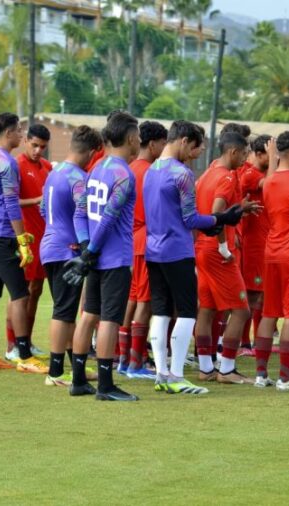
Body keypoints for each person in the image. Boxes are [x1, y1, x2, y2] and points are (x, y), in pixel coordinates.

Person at [144, 120, 244, 394]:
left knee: (162, 310)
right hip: (177, 250)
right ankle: (176, 374)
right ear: (184, 141)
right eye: (195, 149)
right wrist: (222, 218)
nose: (195, 155)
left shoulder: (151, 170)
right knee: (187, 310)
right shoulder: (181, 173)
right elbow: (190, 219)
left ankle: (162, 374)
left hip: (154, 250)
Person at [63, 111, 141, 401]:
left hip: (93, 258)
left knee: (88, 315)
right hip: (114, 258)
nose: (139, 143)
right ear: (131, 138)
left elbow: (80, 211)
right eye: (139, 138)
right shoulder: (124, 174)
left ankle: (79, 380)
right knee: (109, 320)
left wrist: (85, 249)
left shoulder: (96, 168)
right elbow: (109, 217)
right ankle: (106, 386)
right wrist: (91, 251)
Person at [0, 113, 45, 373]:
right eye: (19, 130)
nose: (22, 135)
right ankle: (24, 356)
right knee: (20, 294)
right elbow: (11, 203)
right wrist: (22, 239)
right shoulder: (6, 162)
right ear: (7, 133)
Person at [194, 132, 260, 384]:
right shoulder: (227, 177)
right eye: (244, 154)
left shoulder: (209, 172)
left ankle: (205, 368)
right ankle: (227, 369)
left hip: (201, 248)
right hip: (217, 251)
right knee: (242, 311)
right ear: (233, 152)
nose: (245, 160)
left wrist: (240, 209)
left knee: (207, 309)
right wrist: (223, 246)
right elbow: (215, 212)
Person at [40, 125, 103, 386]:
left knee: (64, 311)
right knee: (64, 312)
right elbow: (82, 213)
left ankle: (73, 369)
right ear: (90, 151)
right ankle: (55, 373)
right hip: (67, 250)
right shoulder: (78, 178)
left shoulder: (54, 173)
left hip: (50, 246)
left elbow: (44, 209)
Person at [253, 131, 289, 389]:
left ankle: (260, 374)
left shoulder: (268, 183)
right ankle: (285, 377)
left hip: (272, 252)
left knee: (269, 313)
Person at [119, 121, 168, 378]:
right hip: (146, 241)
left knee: (134, 298)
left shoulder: (130, 168)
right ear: (153, 144)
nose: (164, 148)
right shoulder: (150, 171)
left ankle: (123, 356)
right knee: (145, 302)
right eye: (162, 143)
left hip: (131, 241)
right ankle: (135, 363)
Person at [5, 123, 52, 362]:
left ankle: (28, 341)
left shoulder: (47, 167)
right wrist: (35, 199)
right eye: (34, 145)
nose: (38, 151)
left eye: (42, 147)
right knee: (18, 292)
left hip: (44, 238)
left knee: (36, 291)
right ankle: (12, 344)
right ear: (26, 141)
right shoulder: (16, 166)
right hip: (25, 236)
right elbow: (10, 201)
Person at [238, 135, 273, 355]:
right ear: (259, 154)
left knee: (259, 295)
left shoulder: (259, 172)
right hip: (252, 245)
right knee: (251, 296)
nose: (275, 158)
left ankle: (253, 342)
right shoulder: (251, 174)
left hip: (263, 242)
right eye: (271, 154)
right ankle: (243, 343)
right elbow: (271, 185)